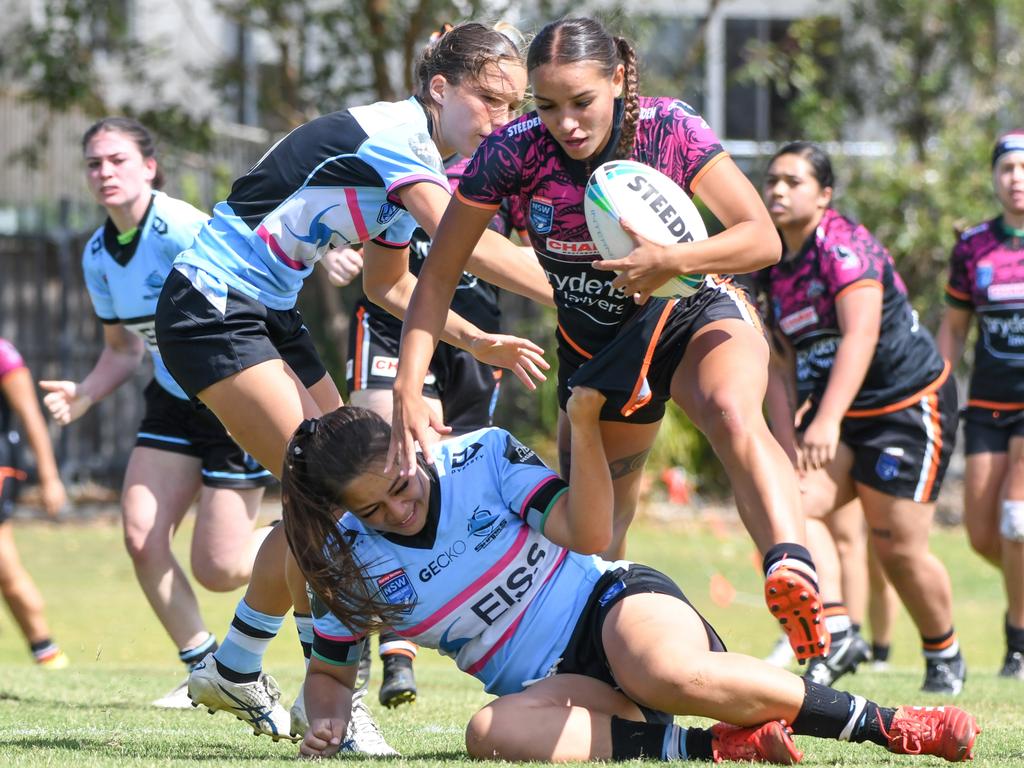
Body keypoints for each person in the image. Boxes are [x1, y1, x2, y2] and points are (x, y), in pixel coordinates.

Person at [153, 21, 552, 748]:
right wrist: (585, 285)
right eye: (491, 100)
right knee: (341, 499)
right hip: (212, 303)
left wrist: (476, 337)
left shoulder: (413, 161)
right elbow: (463, 240)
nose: (503, 120)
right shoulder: (396, 138)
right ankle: (329, 695)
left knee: (341, 490)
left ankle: (237, 661)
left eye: (514, 107)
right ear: (439, 88)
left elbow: (389, 283)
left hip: (267, 310)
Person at [390, 15, 830, 664]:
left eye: (582, 102)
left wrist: (675, 260)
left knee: (731, 410)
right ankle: (608, 665)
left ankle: (792, 567)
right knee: (598, 534)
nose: (565, 122)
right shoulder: (513, 152)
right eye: (547, 106)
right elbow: (437, 276)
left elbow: (759, 237)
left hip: (691, 305)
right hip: (596, 351)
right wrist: (405, 385)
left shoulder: (668, 128)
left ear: (618, 79)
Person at [281, 398, 980, 764]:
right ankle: (717, 749)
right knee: (486, 732)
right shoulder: (346, 561)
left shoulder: (480, 457)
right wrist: (328, 715)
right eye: (374, 510)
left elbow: (586, 533)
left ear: (408, 447)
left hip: (614, 606)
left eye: (401, 486)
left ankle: (890, 727)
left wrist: (584, 426)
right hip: (558, 694)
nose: (399, 511)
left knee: (658, 670)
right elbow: (332, 675)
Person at [39, 117, 277, 707]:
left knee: (219, 568)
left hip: (229, 399)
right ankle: (202, 669)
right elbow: (123, 348)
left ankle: (303, 533)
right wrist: (85, 394)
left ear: (149, 166)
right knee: (141, 534)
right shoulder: (98, 254)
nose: (104, 173)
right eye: (94, 163)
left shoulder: (181, 227)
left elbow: (258, 276)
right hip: (172, 402)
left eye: (117, 160)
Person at [756, 141, 964, 694]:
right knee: (792, 504)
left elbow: (861, 335)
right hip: (843, 412)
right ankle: (842, 628)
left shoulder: (844, 247)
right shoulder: (771, 263)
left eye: (792, 181)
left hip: (907, 406)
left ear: (824, 195)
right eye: (771, 179)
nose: (776, 189)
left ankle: (945, 652)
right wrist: (784, 443)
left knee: (895, 548)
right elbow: (778, 365)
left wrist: (824, 421)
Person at [341, 151, 530, 708]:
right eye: (490, 96)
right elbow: (346, 223)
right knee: (384, 468)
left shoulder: (511, 163)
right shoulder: (397, 153)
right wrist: (338, 256)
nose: (499, 113)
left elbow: (533, 245)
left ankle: (413, 638)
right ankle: (371, 649)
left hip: (473, 332)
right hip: (390, 327)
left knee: (443, 483)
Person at [937, 130, 1024, 680]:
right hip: (986, 407)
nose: (1017, 179)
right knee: (984, 535)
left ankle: (1017, 644)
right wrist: (939, 396)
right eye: (1008, 169)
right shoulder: (972, 247)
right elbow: (952, 333)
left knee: (1017, 522)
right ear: (995, 178)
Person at [0, 338, 69, 669]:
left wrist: (49, 477)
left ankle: (46, 650)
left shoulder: (2, 354)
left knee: (5, 566)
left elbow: (31, 416)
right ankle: (45, 650)